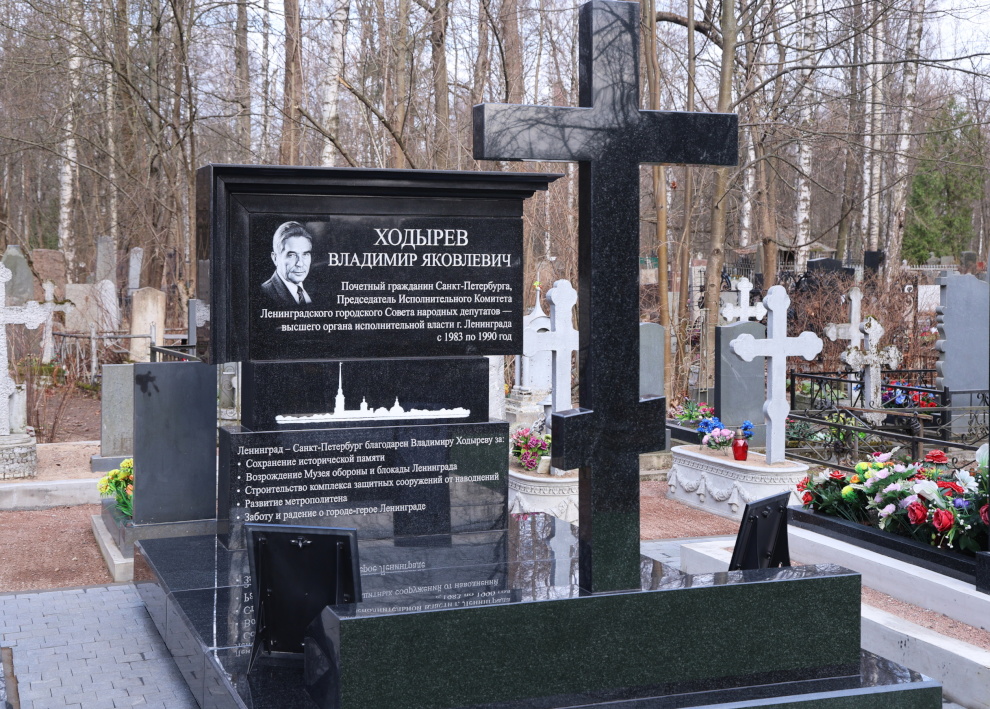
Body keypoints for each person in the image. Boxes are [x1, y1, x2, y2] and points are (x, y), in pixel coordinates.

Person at [261, 221, 315, 307]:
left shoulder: (313, 290)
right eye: (292, 255)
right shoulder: (263, 294)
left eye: (305, 254)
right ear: (275, 258)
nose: (300, 263)